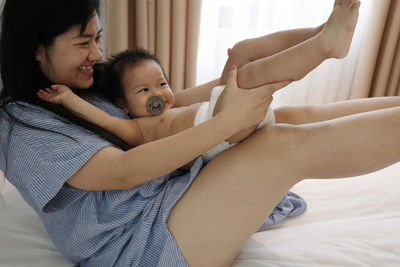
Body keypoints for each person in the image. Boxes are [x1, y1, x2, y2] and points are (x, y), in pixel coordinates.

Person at [1, 0, 400, 267]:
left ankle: (324, 37)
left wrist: (232, 85)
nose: (97, 54)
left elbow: (170, 108)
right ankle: (324, 42)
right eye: (84, 42)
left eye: (99, 38)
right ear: (36, 50)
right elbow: (122, 170)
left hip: (170, 195)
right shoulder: (21, 128)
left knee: (287, 114)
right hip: (138, 244)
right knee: (278, 146)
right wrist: (222, 123)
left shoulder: (85, 85)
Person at [36, 0, 359, 161]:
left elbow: (186, 96)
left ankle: (322, 32)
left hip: (220, 113)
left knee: (244, 51)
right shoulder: (137, 129)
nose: (158, 94)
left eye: (162, 84)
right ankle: (324, 46)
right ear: (124, 104)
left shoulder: (171, 107)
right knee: (249, 77)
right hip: (218, 134)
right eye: (144, 90)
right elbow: (103, 119)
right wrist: (68, 99)